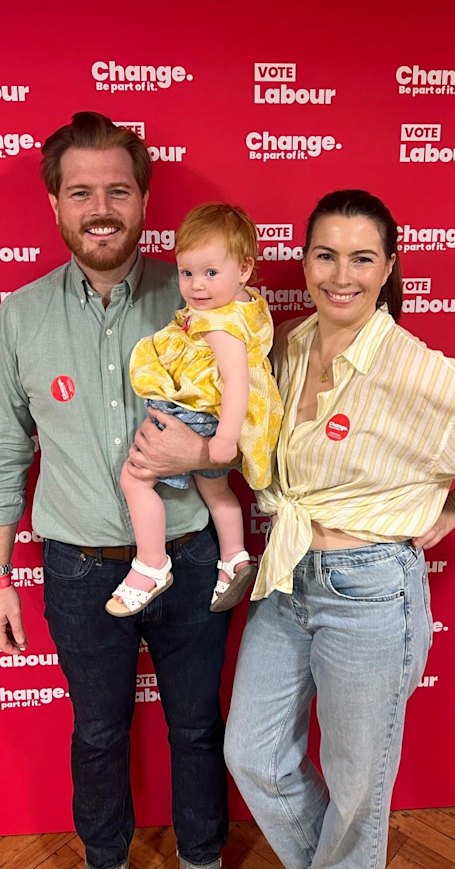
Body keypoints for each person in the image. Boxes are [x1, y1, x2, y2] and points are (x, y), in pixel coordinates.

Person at [224, 189, 455, 869]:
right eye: (325, 255)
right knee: (251, 753)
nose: (340, 274)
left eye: (360, 258)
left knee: (357, 789)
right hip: (287, 576)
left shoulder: (413, 368)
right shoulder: (289, 344)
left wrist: (454, 510)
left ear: (387, 268)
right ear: (306, 260)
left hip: (372, 595)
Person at [0, 112, 230, 869]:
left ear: (144, 199)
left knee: (196, 726)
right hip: (80, 569)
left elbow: (252, 414)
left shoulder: (200, 299)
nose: (101, 208)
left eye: (118, 191)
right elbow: (7, 454)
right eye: (81, 192)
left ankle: (201, 856)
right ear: (55, 205)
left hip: (193, 558)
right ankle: (107, 858)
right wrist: (0, 570)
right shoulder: (19, 317)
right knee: (97, 731)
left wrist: (202, 447)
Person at [107, 203, 282, 617]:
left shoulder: (220, 325)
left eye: (210, 273)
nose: (196, 286)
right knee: (216, 489)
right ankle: (235, 557)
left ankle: (151, 562)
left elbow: (237, 382)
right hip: (210, 416)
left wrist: (223, 440)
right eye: (187, 273)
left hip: (198, 414)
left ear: (243, 269)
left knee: (134, 478)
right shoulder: (244, 306)